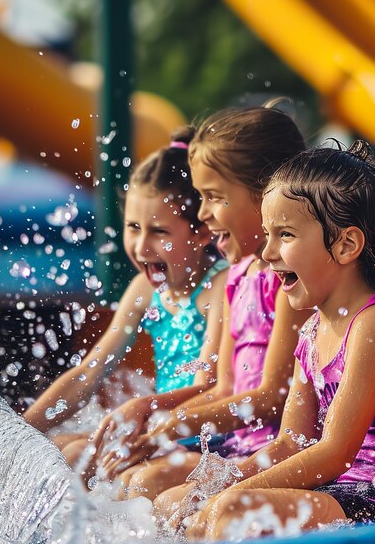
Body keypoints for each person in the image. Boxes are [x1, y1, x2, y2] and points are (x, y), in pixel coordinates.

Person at [155, 141, 375, 541]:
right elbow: (290, 443)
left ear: (346, 245)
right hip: (354, 492)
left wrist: (231, 494)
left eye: (284, 235)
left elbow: (335, 453)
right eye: (267, 234)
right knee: (175, 501)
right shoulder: (313, 330)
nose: (266, 253)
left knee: (233, 513)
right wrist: (211, 487)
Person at [91, 103, 311, 501]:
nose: (203, 213)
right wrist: (153, 412)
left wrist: (171, 428)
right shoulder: (240, 280)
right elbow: (223, 386)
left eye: (212, 197)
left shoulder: (291, 287)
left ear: (265, 197)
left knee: (145, 484)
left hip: (269, 449)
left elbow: (272, 399)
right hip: (241, 445)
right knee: (126, 480)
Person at [24, 128, 229, 459]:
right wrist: (23, 431)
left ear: (203, 231)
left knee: (81, 454)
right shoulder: (144, 289)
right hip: (158, 432)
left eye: (159, 231)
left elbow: (212, 387)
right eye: (133, 227)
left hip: (205, 442)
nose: (141, 246)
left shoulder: (217, 288)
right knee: (57, 449)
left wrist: (145, 416)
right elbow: (89, 373)